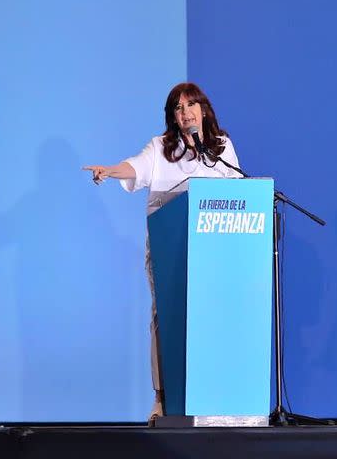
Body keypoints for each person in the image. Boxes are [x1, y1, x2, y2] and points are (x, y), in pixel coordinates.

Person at [83, 82, 241, 423]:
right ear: (173, 117)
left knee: (212, 317)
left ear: (203, 109)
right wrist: (110, 171)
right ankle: (161, 398)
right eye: (178, 109)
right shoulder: (161, 148)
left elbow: (236, 191)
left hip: (212, 251)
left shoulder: (222, 148)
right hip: (168, 247)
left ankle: (215, 394)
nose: (185, 113)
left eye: (190, 106)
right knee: (165, 318)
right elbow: (136, 167)